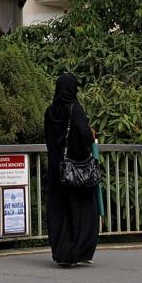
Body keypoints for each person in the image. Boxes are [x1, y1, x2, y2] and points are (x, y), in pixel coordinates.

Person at [44, 72, 99, 267]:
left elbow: (49, 141)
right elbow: (85, 135)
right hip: (76, 171)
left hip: (56, 171)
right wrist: (91, 134)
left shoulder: (50, 111)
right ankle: (79, 251)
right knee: (81, 210)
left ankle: (62, 253)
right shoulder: (75, 109)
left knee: (59, 211)